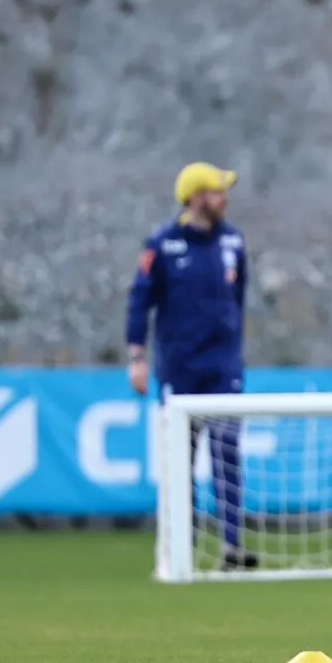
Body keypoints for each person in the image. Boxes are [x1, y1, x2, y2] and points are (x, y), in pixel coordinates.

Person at [126, 161, 256, 570]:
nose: (225, 198)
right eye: (218, 190)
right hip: (180, 370)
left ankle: (232, 545)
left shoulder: (233, 241)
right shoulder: (163, 244)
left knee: (228, 455)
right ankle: (181, 545)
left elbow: (239, 299)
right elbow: (139, 302)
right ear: (196, 197)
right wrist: (137, 357)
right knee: (180, 460)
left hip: (223, 370)